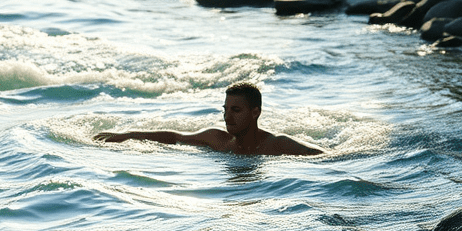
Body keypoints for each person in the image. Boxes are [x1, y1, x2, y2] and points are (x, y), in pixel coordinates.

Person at [94, 82, 323, 156]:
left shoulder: (276, 144)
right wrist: (131, 135)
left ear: (255, 112)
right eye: (225, 109)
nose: (227, 116)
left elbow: (325, 158)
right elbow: (175, 137)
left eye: (236, 110)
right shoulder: (217, 139)